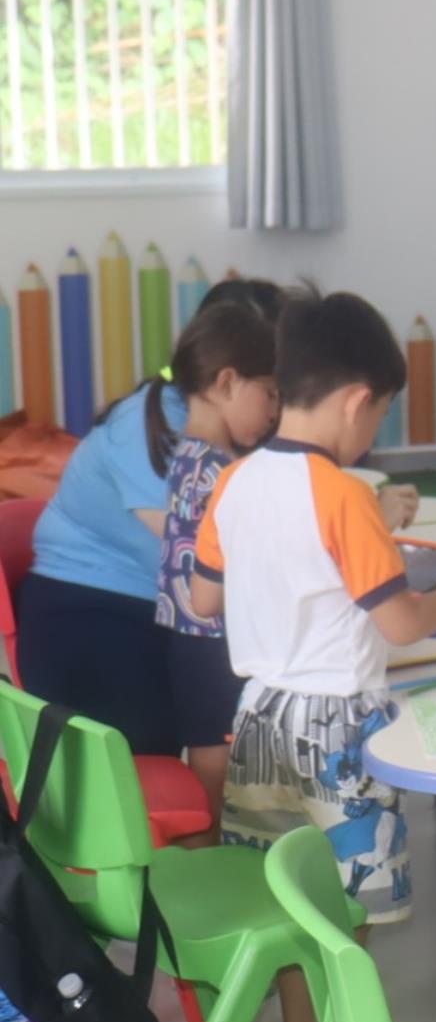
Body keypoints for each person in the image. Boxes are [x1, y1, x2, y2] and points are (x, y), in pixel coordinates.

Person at [190, 291, 436, 1022]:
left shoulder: (236, 481)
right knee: (347, 914)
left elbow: (203, 599)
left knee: (288, 896)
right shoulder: (344, 495)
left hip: (258, 722)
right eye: (381, 413)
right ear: (358, 401)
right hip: (337, 732)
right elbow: (402, 623)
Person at [16, 276, 284, 755]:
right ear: (227, 372)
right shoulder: (155, 427)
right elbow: (209, 553)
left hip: (162, 613)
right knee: (215, 728)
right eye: (271, 385)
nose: (280, 401)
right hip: (91, 618)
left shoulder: (224, 424)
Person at [151, 298, 282, 828]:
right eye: (269, 393)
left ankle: (212, 850)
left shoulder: (191, 455)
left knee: (213, 768)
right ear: (228, 382)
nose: (274, 411)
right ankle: (211, 857)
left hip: (192, 640)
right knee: (217, 774)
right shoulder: (219, 471)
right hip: (212, 642)